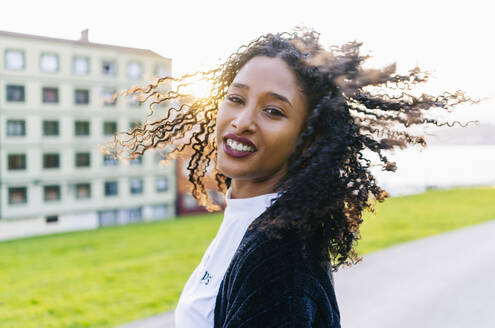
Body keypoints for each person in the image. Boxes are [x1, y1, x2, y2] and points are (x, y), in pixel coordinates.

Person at [102, 28, 473, 327]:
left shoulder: (279, 262)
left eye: (273, 111)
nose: (243, 120)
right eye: (236, 99)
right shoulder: (250, 217)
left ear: (307, 138)